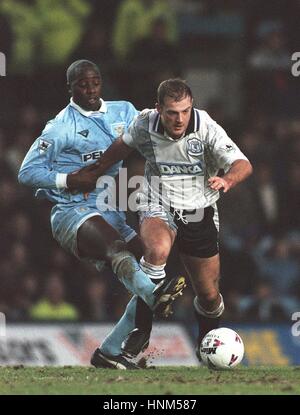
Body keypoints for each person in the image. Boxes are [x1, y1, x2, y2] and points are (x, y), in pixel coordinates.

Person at [69, 78, 253, 361]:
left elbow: (243, 164)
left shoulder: (206, 128)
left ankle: (206, 346)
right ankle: (141, 331)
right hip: (159, 203)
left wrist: (227, 180)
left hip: (199, 212)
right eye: (171, 112)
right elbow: (120, 146)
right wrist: (93, 173)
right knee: (156, 252)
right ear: (158, 109)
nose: (179, 119)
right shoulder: (145, 124)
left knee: (209, 296)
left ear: (191, 107)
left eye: (184, 111)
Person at [18, 61, 186, 369]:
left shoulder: (122, 111)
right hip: (73, 212)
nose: (91, 89)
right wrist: (69, 179)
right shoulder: (60, 127)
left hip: (112, 210)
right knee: (119, 252)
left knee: (151, 261)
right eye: (83, 84)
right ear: (70, 88)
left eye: (95, 82)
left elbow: (153, 127)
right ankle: (153, 297)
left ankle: (109, 350)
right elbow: (27, 172)